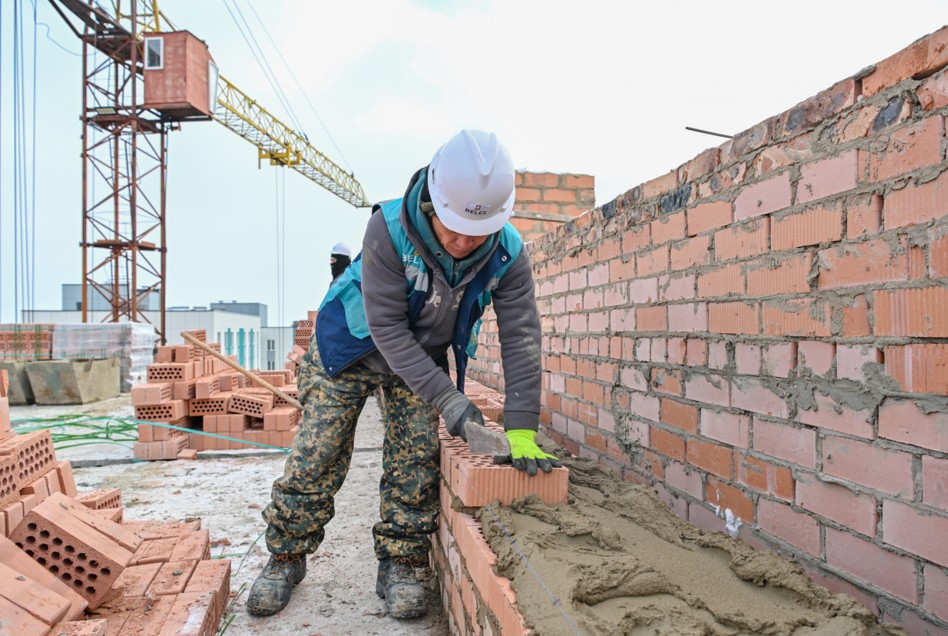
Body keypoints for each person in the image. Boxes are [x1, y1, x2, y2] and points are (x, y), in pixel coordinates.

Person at [246, 129, 562, 620]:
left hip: (421, 355)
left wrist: (521, 426)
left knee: (415, 457)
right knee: (319, 453)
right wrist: (452, 403)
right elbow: (389, 332)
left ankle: (401, 563)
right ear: (434, 204)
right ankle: (285, 555)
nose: (462, 243)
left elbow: (522, 336)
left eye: (476, 233)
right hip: (350, 347)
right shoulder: (388, 230)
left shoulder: (507, 252)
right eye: (452, 228)